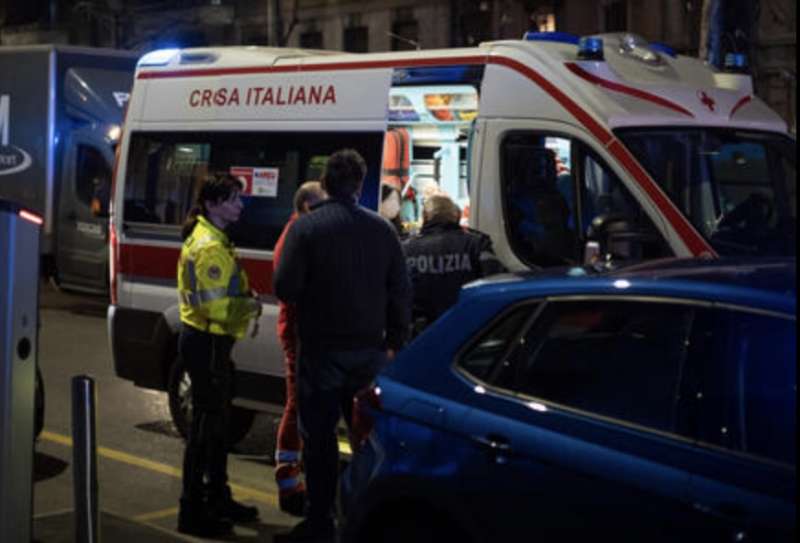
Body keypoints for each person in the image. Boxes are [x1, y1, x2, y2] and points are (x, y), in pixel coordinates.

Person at [274, 149, 411, 542]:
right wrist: (396, 342)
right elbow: (401, 291)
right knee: (367, 441)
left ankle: (320, 524)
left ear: (327, 184)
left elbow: (285, 287)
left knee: (319, 442)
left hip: (320, 353)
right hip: (370, 354)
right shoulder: (383, 230)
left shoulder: (307, 229)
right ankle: (363, 522)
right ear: (361, 185)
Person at [176, 173, 262, 537]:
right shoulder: (211, 246)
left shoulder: (216, 239)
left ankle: (217, 498)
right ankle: (194, 511)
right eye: (232, 199)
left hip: (209, 343)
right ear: (212, 205)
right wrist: (250, 306)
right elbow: (217, 308)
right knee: (206, 432)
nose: (240, 205)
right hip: (207, 341)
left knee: (216, 428)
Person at [273, 181, 327, 517]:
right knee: (296, 405)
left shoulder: (302, 232)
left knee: (305, 405)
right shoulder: (295, 235)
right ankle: (288, 482)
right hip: (298, 331)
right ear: (307, 205)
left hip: (307, 331)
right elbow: (289, 286)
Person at [404, 194, 504, 332]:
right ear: (456, 215)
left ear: (425, 217)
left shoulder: (407, 248)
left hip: (421, 332)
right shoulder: (476, 244)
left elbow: (397, 292)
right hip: (467, 327)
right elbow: (495, 281)